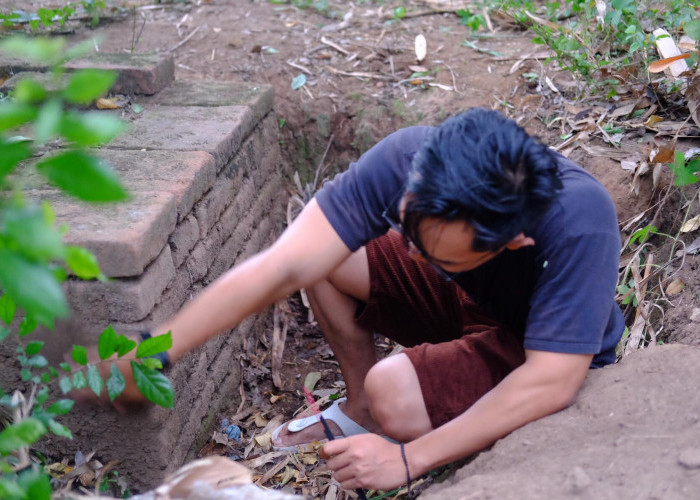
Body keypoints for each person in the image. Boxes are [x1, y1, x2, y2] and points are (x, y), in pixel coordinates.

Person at [85, 108, 624, 492]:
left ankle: (392, 409)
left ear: (513, 241)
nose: (413, 258)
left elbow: (553, 379)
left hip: (534, 346)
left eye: (438, 254)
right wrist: (154, 354)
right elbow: (285, 264)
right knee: (326, 256)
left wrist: (406, 461)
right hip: (466, 300)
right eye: (411, 234)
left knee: (392, 388)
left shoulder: (579, 222)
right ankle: (359, 410)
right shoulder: (411, 158)